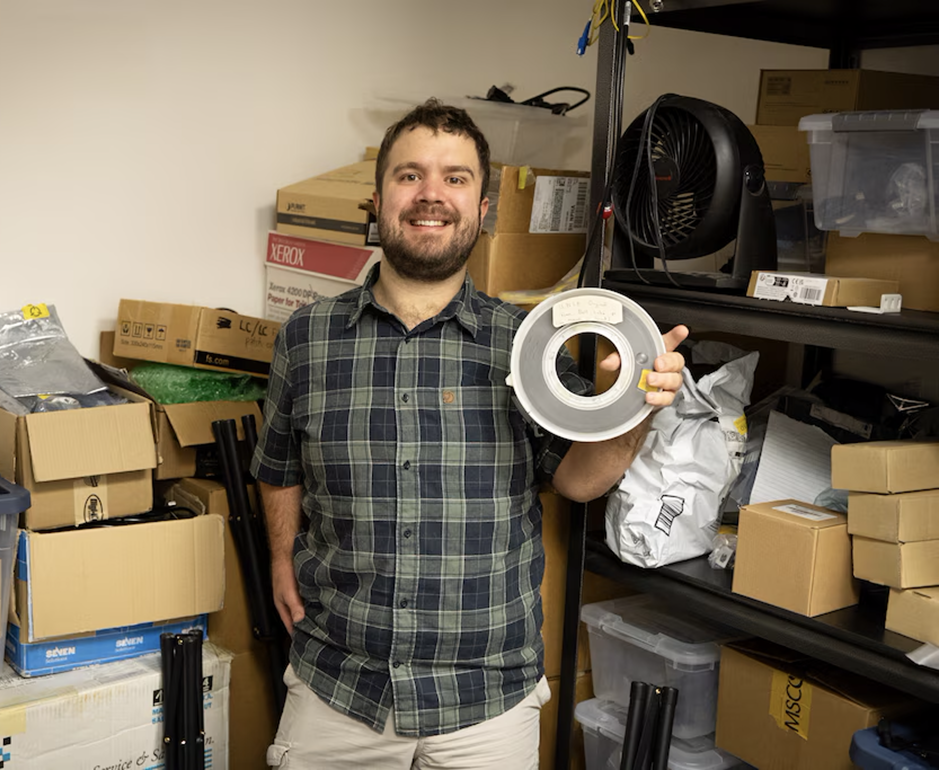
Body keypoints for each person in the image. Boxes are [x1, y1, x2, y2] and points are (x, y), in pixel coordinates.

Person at [250, 98, 688, 769]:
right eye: (409, 175)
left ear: (483, 210)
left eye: (455, 178)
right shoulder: (307, 339)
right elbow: (278, 464)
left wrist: (634, 409)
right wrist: (282, 557)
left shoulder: (527, 344)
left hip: (486, 699)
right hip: (339, 682)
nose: (431, 195)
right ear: (377, 200)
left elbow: (576, 481)